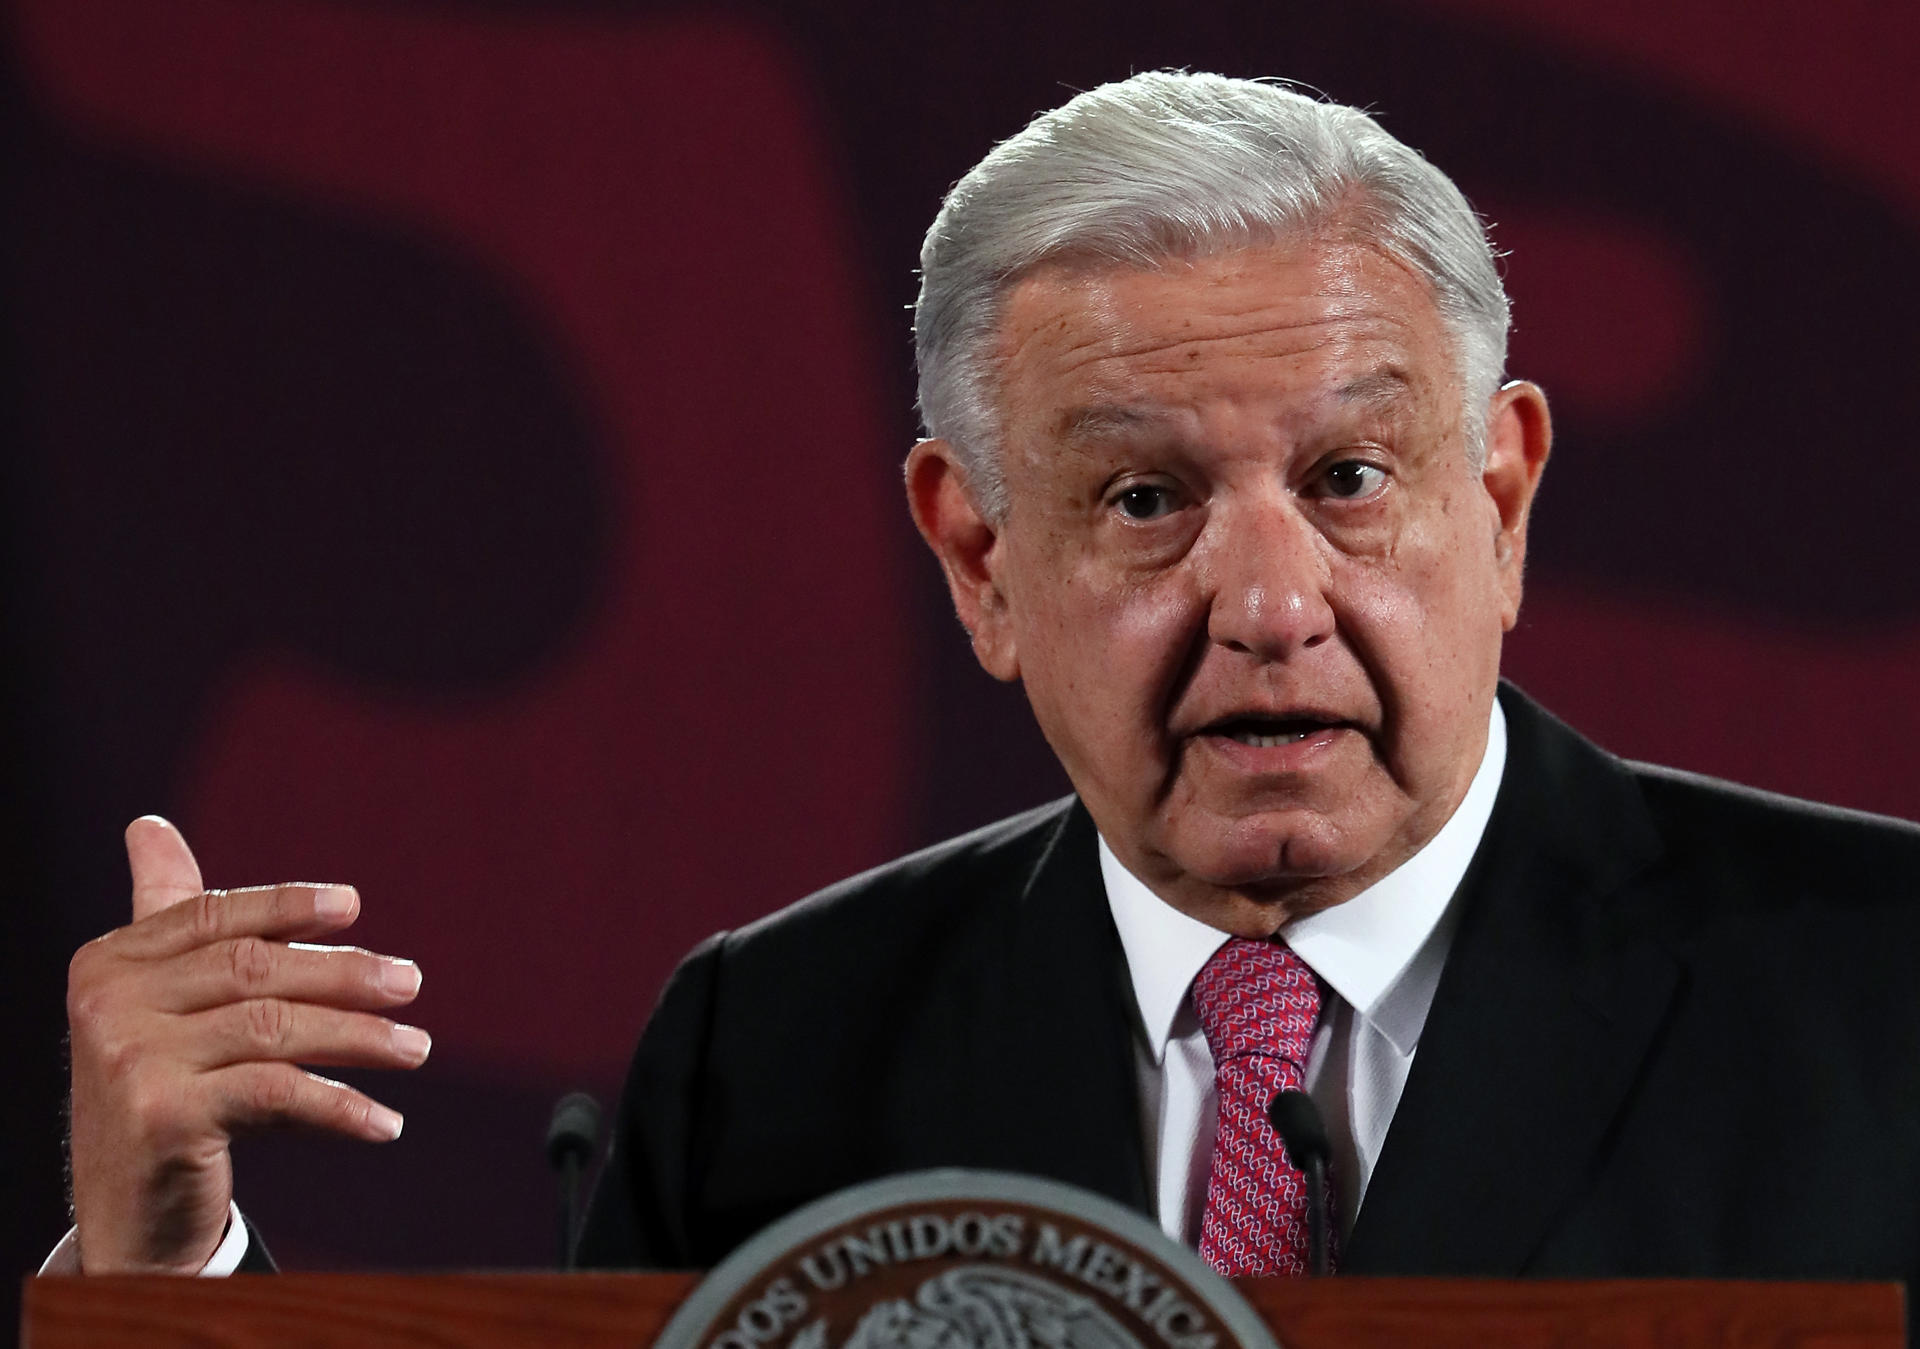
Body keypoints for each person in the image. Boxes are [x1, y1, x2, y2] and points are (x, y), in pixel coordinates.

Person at [51, 72, 1920, 1285]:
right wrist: (166, 1276)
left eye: (1350, 479)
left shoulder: (1878, 994)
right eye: (1143, 496)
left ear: (1499, 496)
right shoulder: (776, 1049)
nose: (1270, 601)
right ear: (979, 554)